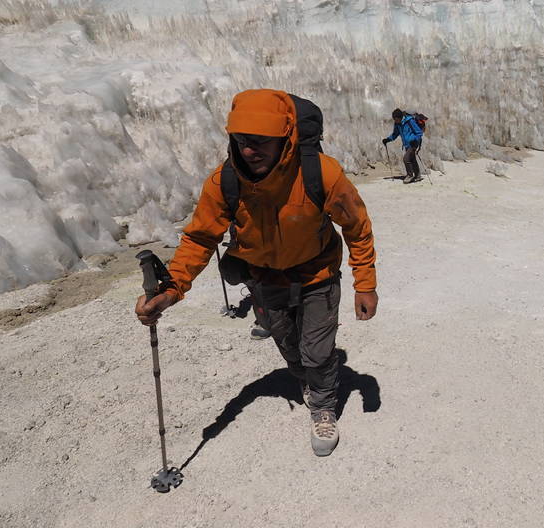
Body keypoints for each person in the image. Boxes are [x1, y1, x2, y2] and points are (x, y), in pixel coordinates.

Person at [135, 89, 378, 457]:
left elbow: (357, 226)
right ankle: (308, 381)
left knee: (317, 350)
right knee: (289, 347)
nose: (251, 150)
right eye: (243, 140)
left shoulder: (321, 174)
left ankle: (323, 405)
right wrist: (173, 290)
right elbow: (200, 238)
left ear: (287, 138)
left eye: (263, 141)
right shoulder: (224, 182)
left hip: (318, 276)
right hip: (265, 279)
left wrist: (366, 283)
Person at [382, 108, 425, 183]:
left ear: (400, 117)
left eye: (395, 119)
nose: (395, 121)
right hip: (407, 144)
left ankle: (410, 175)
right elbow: (395, 134)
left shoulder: (409, 121)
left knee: (406, 159)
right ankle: (418, 176)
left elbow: (419, 132)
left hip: (413, 143)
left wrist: (415, 140)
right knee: (412, 159)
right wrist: (388, 139)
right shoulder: (397, 124)